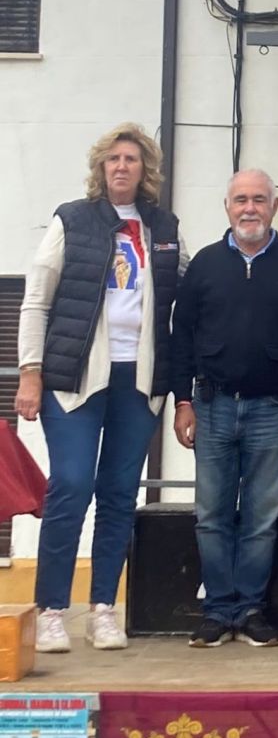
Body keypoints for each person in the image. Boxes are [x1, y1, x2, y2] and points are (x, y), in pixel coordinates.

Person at [15, 123, 187, 653]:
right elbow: (37, 299)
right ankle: (51, 610)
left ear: (145, 169)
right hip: (75, 380)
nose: (121, 166)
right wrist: (30, 370)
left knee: (119, 492)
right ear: (101, 167)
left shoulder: (163, 226)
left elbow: (191, 290)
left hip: (139, 381)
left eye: (131, 159)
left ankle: (104, 608)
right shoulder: (72, 219)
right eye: (113, 158)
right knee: (71, 485)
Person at [171, 169, 278, 648]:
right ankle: (219, 611)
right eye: (241, 200)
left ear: (274, 207)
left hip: (273, 410)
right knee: (211, 515)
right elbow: (181, 339)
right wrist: (181, 401)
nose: (249, 208)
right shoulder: (205, 265)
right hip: (211, 407)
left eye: (259, 199)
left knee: (261, 518)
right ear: (227, 207)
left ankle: (252, 610)